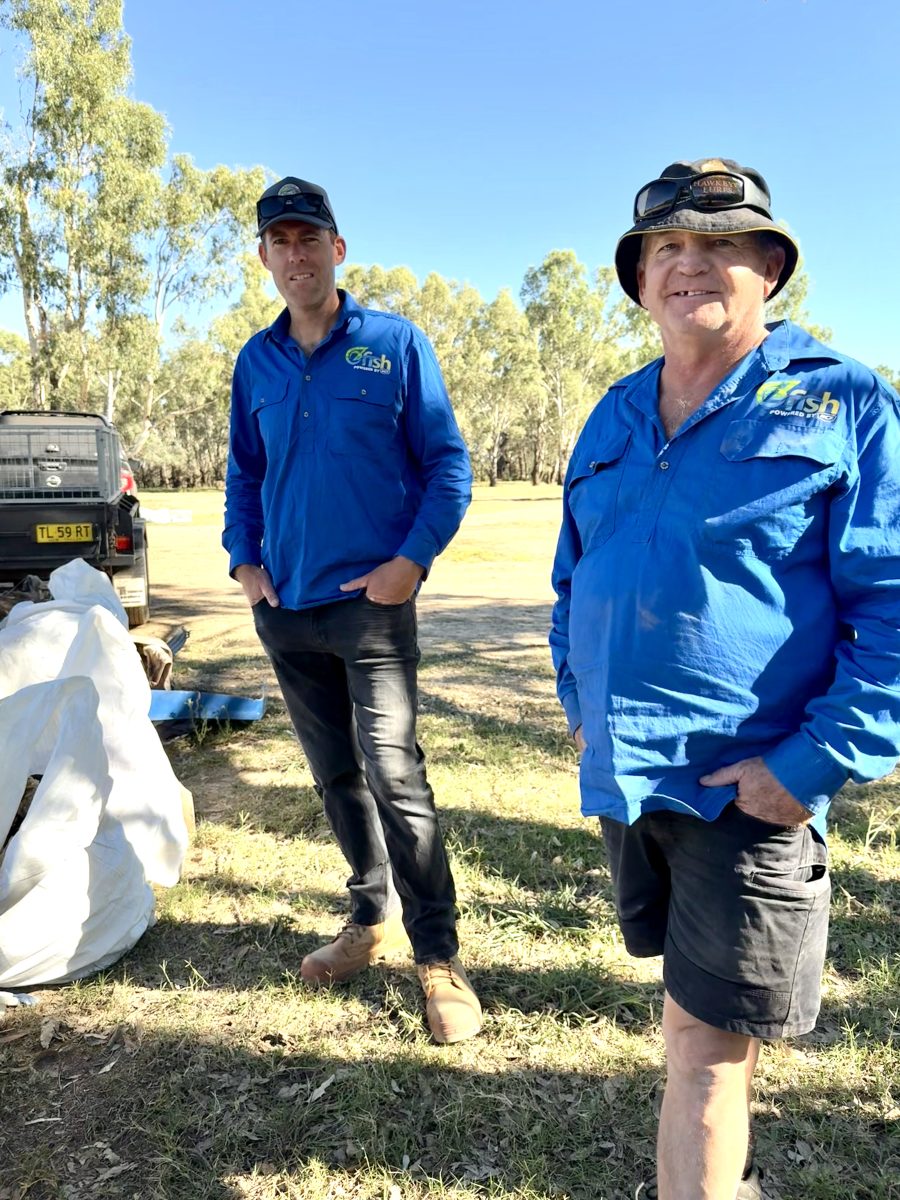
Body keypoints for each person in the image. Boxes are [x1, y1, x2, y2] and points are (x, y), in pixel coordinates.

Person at [549, 158, 900, 1199]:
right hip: (630, 784)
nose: (689, 264)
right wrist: (581, 706)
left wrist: (808, 767)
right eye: (667, 247)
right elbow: (574, 576)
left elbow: (893, 605)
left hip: (749, 796)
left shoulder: (845, 403)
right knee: (691, 1023)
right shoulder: (613, 414)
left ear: (770, 270)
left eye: (721, 245)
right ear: (642, 276)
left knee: (706, 1053)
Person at [223, 176, 482, 1045]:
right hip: (286, 609)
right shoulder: (254, 362)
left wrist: (411, 562)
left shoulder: (394, 344)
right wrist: (245, 563)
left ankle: (437, 957)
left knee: (395, 778)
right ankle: (367, 921)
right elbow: (246, 473)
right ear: (264, 257)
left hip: (369, 610)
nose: (295, 255)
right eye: (279, 242)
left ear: (339, 250)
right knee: (335, 777)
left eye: (310, 239)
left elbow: (447, 463)